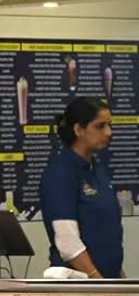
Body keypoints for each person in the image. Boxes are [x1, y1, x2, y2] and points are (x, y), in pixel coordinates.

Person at [40, 97, 123, 279]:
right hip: (80, 283)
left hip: (108, 279)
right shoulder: (60, 173)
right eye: (100, 126)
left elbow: (107, 234)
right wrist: (99, 283)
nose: (109, 132)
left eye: (109, 125)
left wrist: (119, 279)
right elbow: (68, 243)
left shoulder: (96, 168)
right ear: (79, 130)